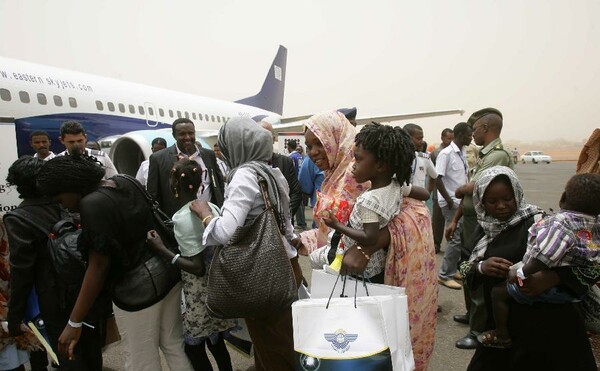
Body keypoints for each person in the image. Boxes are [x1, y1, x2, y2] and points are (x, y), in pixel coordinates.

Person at [36, 152, 193, 371]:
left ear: (71, 185)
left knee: (140, 359)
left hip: (137, 291)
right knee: (173, 345)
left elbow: (98, 266)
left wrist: (74, 321)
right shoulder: (124, 180)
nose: (64, 207)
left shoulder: (92, 204)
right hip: (167, 273)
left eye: (60, 199)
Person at [190, 117, 302, 371]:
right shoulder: (271, 172)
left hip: (263, 273)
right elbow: (286, 224)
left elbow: (226, 231)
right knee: (282, 343)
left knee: (272, 348)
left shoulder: (243, 176)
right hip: (286, 265)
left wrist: (205, 214)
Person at [462, 166, 597, 370]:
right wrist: (481, 267)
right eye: (492, 201)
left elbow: (592, 266)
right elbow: (463, 267)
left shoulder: (542, 223)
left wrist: (553, 278)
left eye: (507, 198)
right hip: (503, 328)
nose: (501, 206)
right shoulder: (480, 230)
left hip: (551, 326)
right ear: (481, 202)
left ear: (517, 193)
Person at [4, 156, 107, 370]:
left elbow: (22, 272)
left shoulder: (18, 218)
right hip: (85, 290)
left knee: (68, 355)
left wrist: (14, 318)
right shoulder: (67, 203)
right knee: (91, 352)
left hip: (53, 300)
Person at [146, 158, 235, 371]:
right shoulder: (210, 206)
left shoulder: (182, 218)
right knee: (217, 345)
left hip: (198, 295)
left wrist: (163, 250)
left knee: (194, 349)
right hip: (215, 289)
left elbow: (197, 266)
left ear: (174, 185)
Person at [321, 123, 418, 282]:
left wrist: (337, 225)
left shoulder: (369, 200)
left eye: (358, 159)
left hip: (361, 269)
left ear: (380, 165)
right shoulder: (396, 185)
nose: (353, 166)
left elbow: (369, 237)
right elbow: (424, 193)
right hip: (378, 263)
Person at [451, 108, 514, 349]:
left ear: (486, 129)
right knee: (466, 268)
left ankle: (478, 330)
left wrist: (462, 188)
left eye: (475, 129)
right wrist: (455, 219)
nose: (472, 133)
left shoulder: (496, 155)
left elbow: (478, 186)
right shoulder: (485, 154)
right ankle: (472, 315)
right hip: (470, 220)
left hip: (482, 223)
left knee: (477, 272)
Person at [296, 111, 369, 254]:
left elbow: (367, 233)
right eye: (309, 147)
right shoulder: (333, 175)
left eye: (319, 143)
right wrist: (304, 238)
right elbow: (332, 231)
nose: (313, 152)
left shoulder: (357, 174)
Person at [147, 118, 224, 217]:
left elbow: (219, 183)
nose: (187, 137)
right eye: (182, 134)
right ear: (174, 135)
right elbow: (153, 195)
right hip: (177, 222)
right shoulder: (158, 159)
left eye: (191, 133)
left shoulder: (209, 155)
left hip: (211, 217)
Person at [436, 122, 473, 290]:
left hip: (460, 201)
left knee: (460, 237)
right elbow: (437, 179)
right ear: (459, 135)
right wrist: (449, 200)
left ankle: (453, 269)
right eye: (468, 135)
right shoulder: (446, 154)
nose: (471, 137)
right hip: (451, 201)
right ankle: (445, 275)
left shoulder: (462, 152)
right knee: (455, 239)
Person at [259, 121, 302, 218]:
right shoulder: (248, 166)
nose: (263, 139)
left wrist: (284, 216)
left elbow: (296, 193)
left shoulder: (285, 162)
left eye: (267, 135)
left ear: (273, 139)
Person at [431, 128, 454, 253]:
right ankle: (435, 243)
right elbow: (433, 176)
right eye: (448, 138)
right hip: (438, 192)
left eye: (452, 138)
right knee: (438, 220)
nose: (450, 141)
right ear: (442, 138)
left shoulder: (454, 152)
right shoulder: (436, 153)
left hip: (451, 192)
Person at [404, 123, 437, 189]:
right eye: (418, 139)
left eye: (422, 138)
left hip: (419, 198)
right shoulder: (396, 161)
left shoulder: (424, 158)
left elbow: (434, 176)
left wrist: (427, 193)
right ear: (407, 138)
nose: (422, 142)